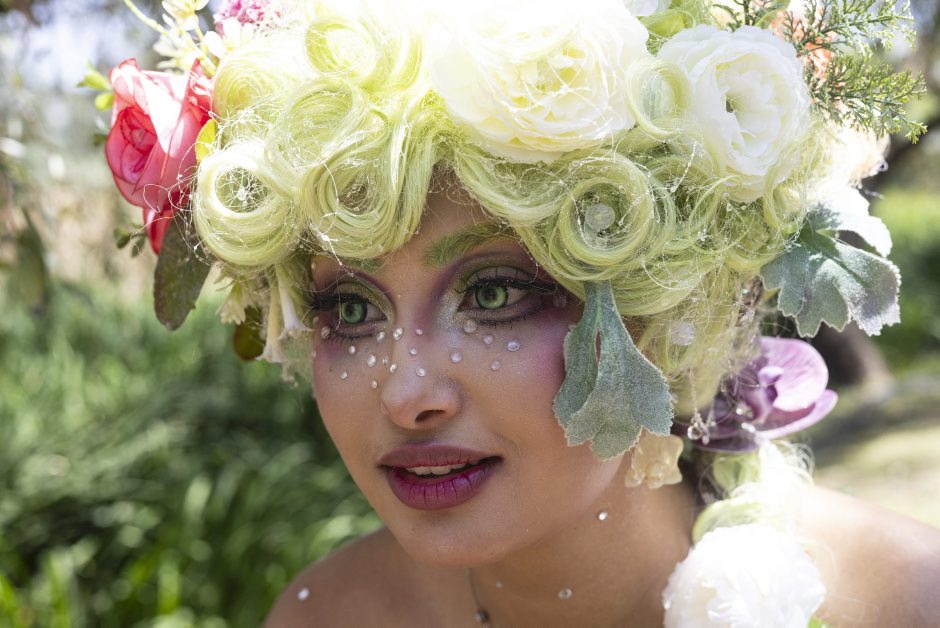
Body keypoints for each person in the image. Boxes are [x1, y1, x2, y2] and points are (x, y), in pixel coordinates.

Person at [100, 0, 940, 625]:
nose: (407, 393)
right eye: (349, 307)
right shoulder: (328, 616)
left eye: (493, 293)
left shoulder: (903, 602)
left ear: (663, 302)